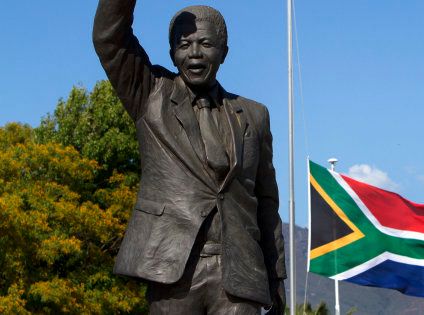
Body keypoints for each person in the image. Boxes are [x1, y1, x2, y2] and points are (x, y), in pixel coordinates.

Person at [93, 1, 286, 314]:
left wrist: (277, 278)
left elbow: (266, 203)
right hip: (172, 268)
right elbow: (108, 38)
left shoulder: (254, 115)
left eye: (206, 44)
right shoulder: (149, 94)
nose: (194, 53)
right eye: (184, 45)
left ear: (224, 52)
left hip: (239, 276)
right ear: (172, 53)